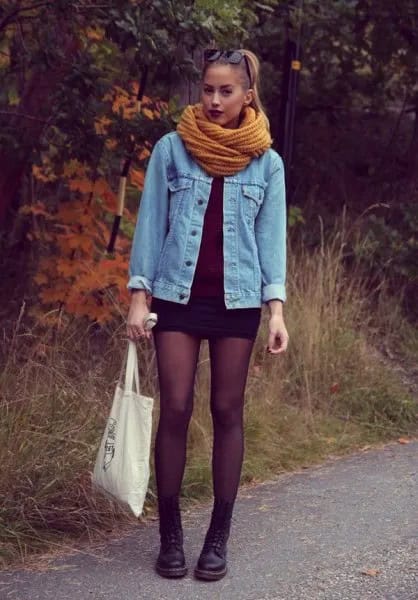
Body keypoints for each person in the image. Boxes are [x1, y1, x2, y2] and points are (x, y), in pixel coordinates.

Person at [126, 48, 289, 581]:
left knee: (227, 410)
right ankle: (169, 534)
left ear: (248, 95)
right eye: (207, 90)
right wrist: (138, 295)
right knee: (174, 406)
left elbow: (272, 242)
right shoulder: (172, 150)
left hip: (237, 302)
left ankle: (217, 536)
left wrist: (277, 310)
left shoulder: (267, 162)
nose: (214, 101)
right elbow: (150, 225)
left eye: (226, 91)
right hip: (176, 296)